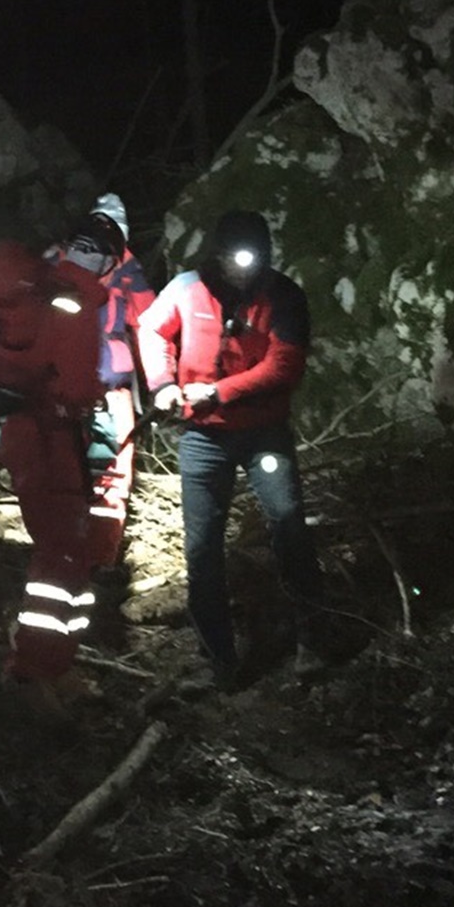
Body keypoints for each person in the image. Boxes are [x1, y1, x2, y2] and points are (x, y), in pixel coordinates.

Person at [136, 208, 326, 687]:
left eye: (252, 258)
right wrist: (161, 383)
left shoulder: (283, 296)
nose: (242, 267)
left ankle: (315, 640)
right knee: (202, 550)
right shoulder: (185, 287)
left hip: (264, 433)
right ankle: (218, 659)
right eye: (233, 257)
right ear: (217, 254)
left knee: (288, 524)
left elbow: (285, 365)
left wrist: (220, 392)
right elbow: (151, 330)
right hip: (203, 439)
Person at [0, 237, 107, 700]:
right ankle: (35, 667)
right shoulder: (69, 305)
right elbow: (77, 384)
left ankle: (55, 662)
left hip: (27, 433)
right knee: (63, 551)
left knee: (65, 549)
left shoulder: (21, 300)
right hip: (49, 437)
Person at [59, 194, 156, 570]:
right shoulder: (69, 262)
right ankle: (90, 552)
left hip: (99, 383)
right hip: (85, 379)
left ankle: (92, 552)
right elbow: (148, 320)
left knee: (105, 468)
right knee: (100, 469)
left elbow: (149, 322)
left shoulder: (126, 272)